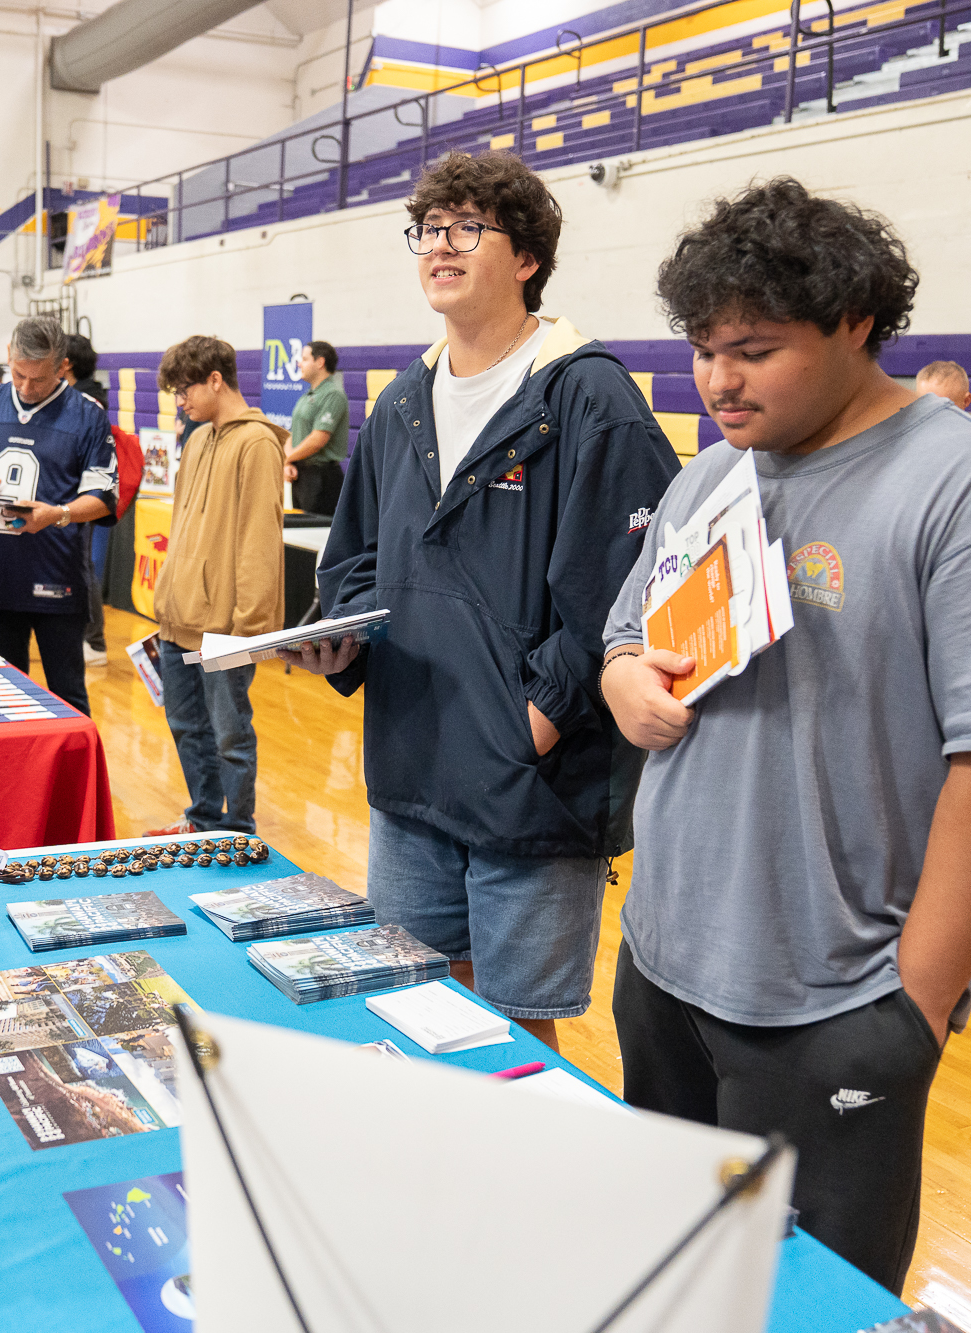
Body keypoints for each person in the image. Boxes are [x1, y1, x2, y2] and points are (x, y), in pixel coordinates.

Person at [599, 178, 971, 1294]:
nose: (719, 381)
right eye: (702, 350)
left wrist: (909, 1012)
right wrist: (623, 678)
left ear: (856, 323)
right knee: (673, 1280)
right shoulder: (708, 476)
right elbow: (625, 636)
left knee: (807, 1303)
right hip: (664, 965)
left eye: (754, 351)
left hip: (835, 1002)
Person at [291, 150, 680, 1052]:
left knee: (514, 1033)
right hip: (411, 772)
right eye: (429, 228)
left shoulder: (589, 396)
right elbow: (353, 560)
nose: (440, 245)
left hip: (528, 788)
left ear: (527, 258)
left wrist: (529, 725)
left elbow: (624, 593)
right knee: (419, 1009)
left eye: (468, 228)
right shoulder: (401, 401)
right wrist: (343, 640)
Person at [144, 335, 285, 838]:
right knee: (186, 727)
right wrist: (165, 602)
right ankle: (202, 818)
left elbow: (259, 541)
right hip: (177, 619)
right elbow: (182, 528)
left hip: (225, 628)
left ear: (216, 380)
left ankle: (239, 830)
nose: (180, 402)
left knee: (229, 735)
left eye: (184, 391)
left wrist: (249, 630)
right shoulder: (198, 438)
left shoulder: (258, 442)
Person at [0, 316, 116, 716]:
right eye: (18, 374)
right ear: (9, 355)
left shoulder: (87, 415)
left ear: (62, 366)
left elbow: (105, 496)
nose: (25, 387)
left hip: (57, 574)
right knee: (1, 698)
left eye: (37, 379)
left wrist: (59, 514)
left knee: (67, 697)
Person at [65, 332, 112, 667]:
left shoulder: (87, 403)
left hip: (85, 497)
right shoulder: (79, 397)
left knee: (84, 566)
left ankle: (94, 642)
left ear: (65, 363)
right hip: (76, 496)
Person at [284, 339, 348, 515]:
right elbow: (294, 432)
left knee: (315, 529)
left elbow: (318, 439)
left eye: (305, 359)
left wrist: (287, 459)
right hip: (301, 475)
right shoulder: (307, 396)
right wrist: (289, 461)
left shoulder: (333, 394)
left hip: (321, 479)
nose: (299, 364)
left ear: (320, 362)